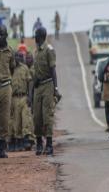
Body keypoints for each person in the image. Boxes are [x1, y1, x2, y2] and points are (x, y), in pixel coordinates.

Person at [33, 27, 61, 156]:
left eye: (36, 35)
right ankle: (39, 143)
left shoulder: (49, 51)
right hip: (38, 87)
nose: (34, 37)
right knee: (36, 117)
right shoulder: (36, 51)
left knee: (47, 116)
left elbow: (53, 70)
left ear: (41, 36)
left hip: (48, 85)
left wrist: (55, 89)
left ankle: (49, 144)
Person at [0, 25, 15, 158]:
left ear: (6, 36)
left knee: (4, 119)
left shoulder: (10, 51)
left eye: (2, 35)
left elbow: (12, 68)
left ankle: (1, 147)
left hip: (5, 87)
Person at [9, 52, 32, 151]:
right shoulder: (11, 69)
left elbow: (29, 82)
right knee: (16, 121)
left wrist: (30, 96)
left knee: (25, 119)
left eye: (19, 56)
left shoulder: (25, 68)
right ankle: (17, 143)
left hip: (23, 96)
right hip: (13, 98)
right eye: (16, 56)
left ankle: (26, 140)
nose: (17, 58)